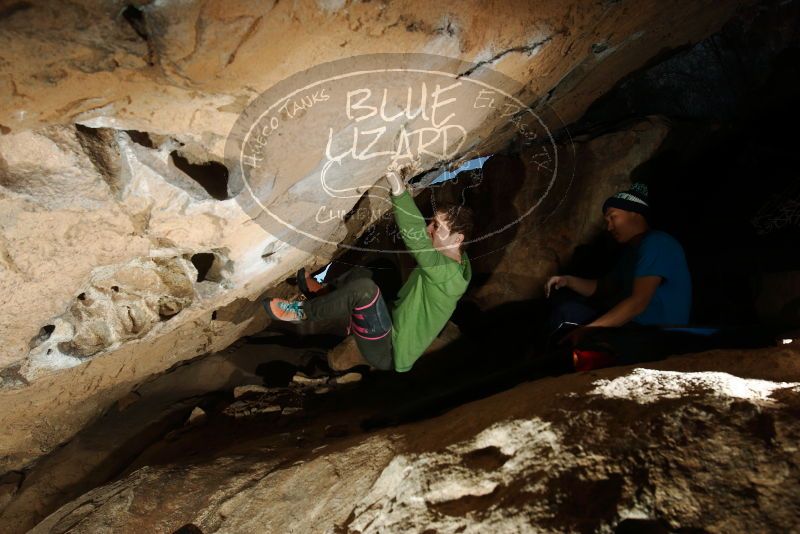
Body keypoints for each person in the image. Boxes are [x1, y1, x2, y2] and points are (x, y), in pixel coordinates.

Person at [263, 164, 474, 373]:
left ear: (457, 238)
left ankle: (301, 312)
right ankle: (322, 293)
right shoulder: (459, 262)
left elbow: (417, 240)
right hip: (390, 318)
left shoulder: (447, 276)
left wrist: (398, 189)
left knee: (364, 290)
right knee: (378, 270)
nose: (429, 228)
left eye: (436, 226)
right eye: (431, 223)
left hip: (388, 349)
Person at [545, 182, 692, 344]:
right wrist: (568, 281)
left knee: (569, 313)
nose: (609, 227)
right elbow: (604, 288)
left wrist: (588, 330)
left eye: (613, 217)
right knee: (567, 304)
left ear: (634, 213)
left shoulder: (657, 243)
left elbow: (638, 302)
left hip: (656, 333)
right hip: (634, 327)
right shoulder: (631, 253)